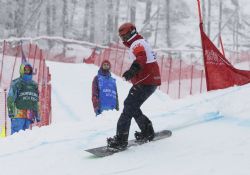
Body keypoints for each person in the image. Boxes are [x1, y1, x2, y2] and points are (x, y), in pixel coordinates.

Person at [107, 22, 161, 149]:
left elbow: (141, 57)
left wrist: (132, 71)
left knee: (128, 108)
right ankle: (147, 131)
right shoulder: (139, 42)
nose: (123, 39)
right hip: (148, 81)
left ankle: (121, 140)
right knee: (132, 106)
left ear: (132, 33)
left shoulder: (137, 44)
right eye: (121, 37)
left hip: (146, 82)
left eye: (125, 36)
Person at [7, 62, 40, 134]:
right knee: (16, 134)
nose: (27, 71)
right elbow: (10, 97)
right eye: (25, 70)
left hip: (29, 114)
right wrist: (11, 110)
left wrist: (37, 115)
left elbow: (36, 100)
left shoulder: (34, 85)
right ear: (22, 70)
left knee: (25, 136)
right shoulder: (16, 83)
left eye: (29, 70)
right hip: (18, 113)